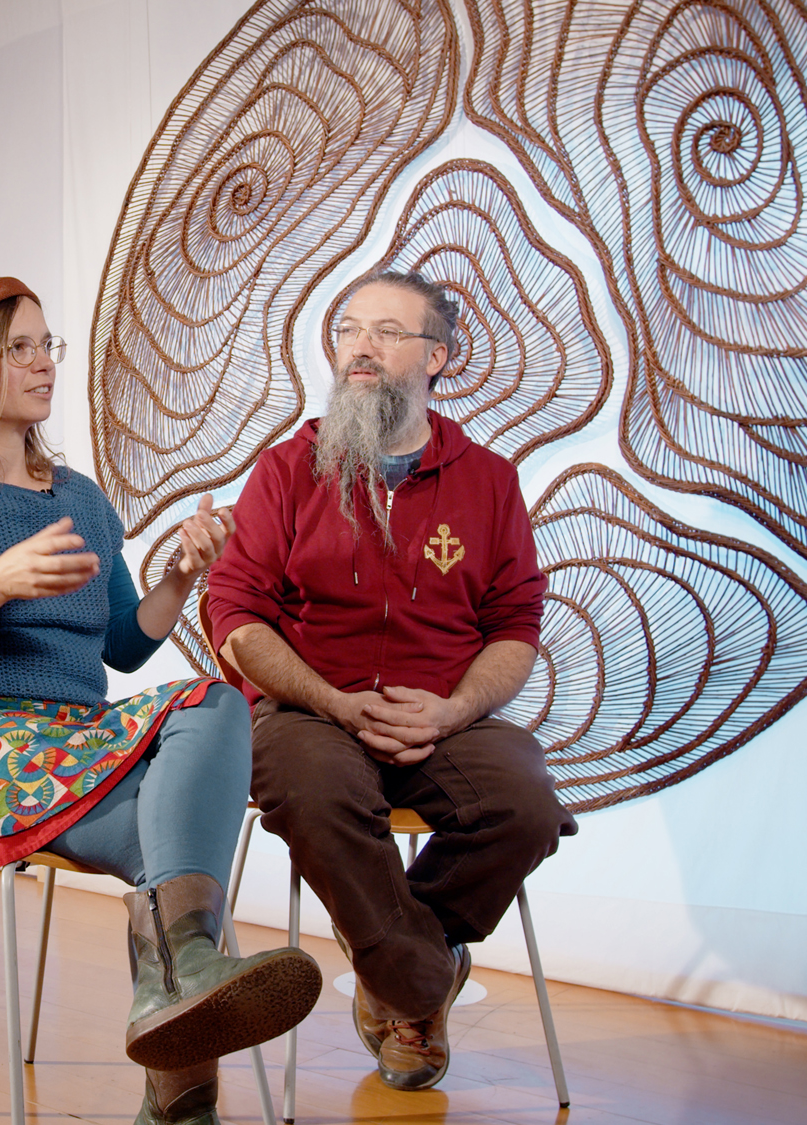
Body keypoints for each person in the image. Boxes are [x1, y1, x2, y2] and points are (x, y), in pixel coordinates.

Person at [0, 276, 321, 1125]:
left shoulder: (81, 500)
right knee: (178, 842)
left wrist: (181, 577)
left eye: (47, 345)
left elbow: (122, 644)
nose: (44, 363)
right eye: (20, 348)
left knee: (212, 706)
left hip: (75, 740)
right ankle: (182, 1073)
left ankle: (177, 993)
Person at [205, 271, 576, 1092]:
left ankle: (392, 958)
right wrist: (333, 701)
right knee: (312, 788)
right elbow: (234, 612)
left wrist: (454, 709)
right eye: (348, 329)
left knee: (525, 802)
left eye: (386, 331)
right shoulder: (286, 469)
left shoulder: (489, 480)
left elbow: (516, 624)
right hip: (312, 708)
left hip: (443, 712)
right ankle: (420, 989)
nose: (360, 347)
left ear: (436, 356)